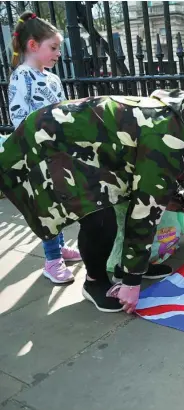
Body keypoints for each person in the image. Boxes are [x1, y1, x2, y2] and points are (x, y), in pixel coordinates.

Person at [0, 89, 184, 314]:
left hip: (87, 145)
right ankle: (94, 283)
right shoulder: (168, 137)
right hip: (53, 142)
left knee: (123, 205)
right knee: (100, 217)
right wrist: (132, 282)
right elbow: (146, 210)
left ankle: (124, 268)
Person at [7, 11, 81, 284]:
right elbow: (18, 117)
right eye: (53, 47)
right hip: (35, 154)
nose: (58, 53)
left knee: (60, 202)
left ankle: (59, 247)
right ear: (33, 45)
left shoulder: (52, 79)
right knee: (45, 206)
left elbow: (62, 111)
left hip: (58, 152)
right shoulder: (21, 76)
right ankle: (52, 260)